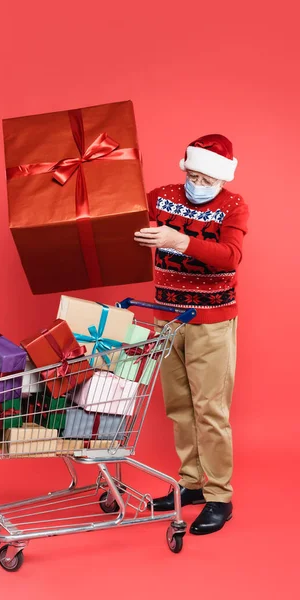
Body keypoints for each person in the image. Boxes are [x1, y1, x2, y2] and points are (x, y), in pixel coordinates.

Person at [134, 134, 249, 535]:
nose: (197, 185)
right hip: (167, 319)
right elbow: (120, 207)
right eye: (193, 175)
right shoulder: (162, 196)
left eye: (207, 180)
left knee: (211, 411)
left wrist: (178, 240)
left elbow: (230, 257)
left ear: (222, 181)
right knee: (179, 407)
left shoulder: (233, 206)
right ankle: (192, 483)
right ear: (184, 168)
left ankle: (220, 496)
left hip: (212, 322)